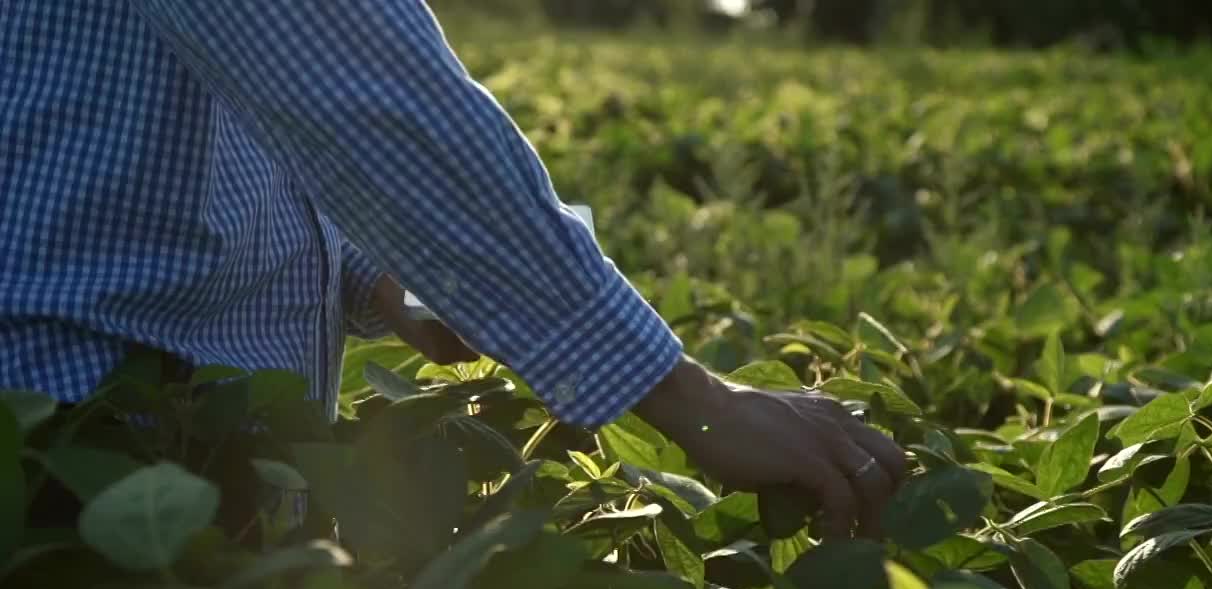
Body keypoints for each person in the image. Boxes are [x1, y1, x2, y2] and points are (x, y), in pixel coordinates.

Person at [1, 2, 907, 538]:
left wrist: (377, 278)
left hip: (132, 434)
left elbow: (236, 117)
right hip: (75, 450)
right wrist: (695, 401)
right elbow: (373, 102)